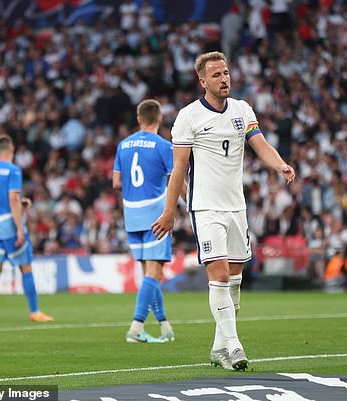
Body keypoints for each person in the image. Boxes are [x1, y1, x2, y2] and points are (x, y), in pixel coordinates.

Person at [152, 51, 295, 370]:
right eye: (216, 75)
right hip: (205, 208)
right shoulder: (189, 117)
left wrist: (280, 165)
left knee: (234, 282)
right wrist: (169, 211)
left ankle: (219, 347)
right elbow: (178, 169)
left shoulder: (243, 110)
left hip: (236, 207)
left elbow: (261, 146)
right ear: (202, 82)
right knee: (217, 275)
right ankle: (234, 346)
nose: (224, 78)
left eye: (226, 72)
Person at [0, 135, 53, 323]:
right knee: (26, 267)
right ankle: (35, 311)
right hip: (8, 225)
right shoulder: (13, 170)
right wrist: (20, 229)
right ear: (12, 149)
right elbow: (12, 199)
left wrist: (19, 201)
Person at [113, 99, 175, 343]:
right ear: (159, 119)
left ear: (139, 119)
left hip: (131, 215)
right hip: (155, 215)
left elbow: (116, 183)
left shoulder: (123, 145)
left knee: (148, 273)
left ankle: (165, 326)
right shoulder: (163, 146)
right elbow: (176, 180)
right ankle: (136, 328)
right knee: (155, 272)